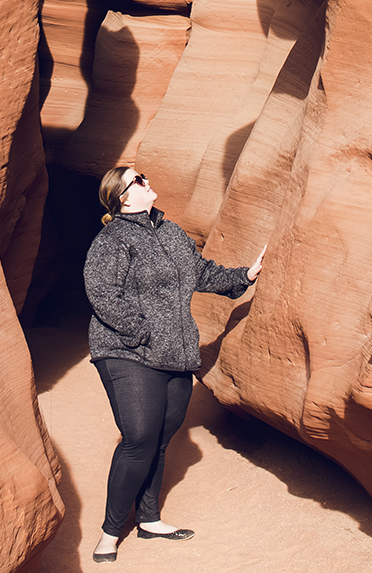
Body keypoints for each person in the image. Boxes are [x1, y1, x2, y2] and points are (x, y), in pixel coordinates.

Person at [83, 166, 266, 563]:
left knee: (162, 438)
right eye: (138, 179)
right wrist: (142, 331)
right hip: (127, 352)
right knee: (139, 438)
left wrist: (246, 275)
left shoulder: (170, 231)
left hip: (176, 354)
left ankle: (148, 519)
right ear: (124, 197)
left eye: (144, 175)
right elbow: (101, 293)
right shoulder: (112, 239)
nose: (147, 181)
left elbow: (200, 273)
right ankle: (110, 532)